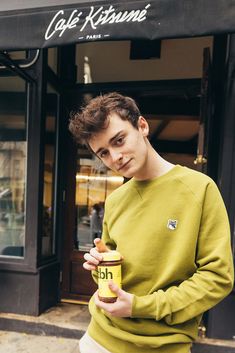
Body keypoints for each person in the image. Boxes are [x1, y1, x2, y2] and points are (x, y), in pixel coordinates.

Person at [69, 92, 234, 353]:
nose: (115, 157)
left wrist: (139, 306)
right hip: (98, 338)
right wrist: (99, 265)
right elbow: (113, 274)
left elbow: (217, 278)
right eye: (103, 153)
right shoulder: (116, 200)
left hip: (162, 346)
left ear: (142, 126)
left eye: (119, 140)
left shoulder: (199, 189)